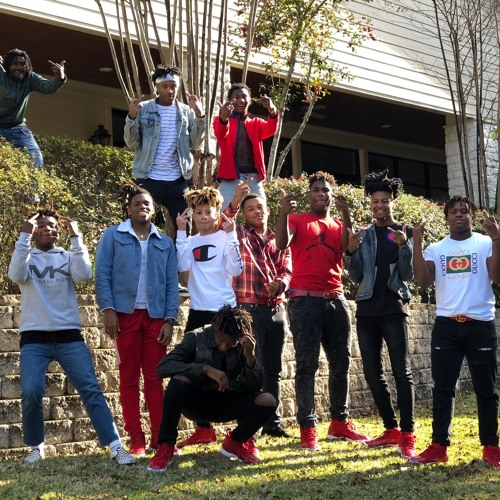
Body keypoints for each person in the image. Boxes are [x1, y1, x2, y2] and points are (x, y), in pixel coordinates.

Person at [8, 209, 135, 465]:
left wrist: (77, 238)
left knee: (91, 389)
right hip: (34, 338)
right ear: (33, 231)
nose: (47, 229)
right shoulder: (26, 257)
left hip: (69, 336)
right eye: (41, 225)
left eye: (52, 225)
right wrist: (23, 235)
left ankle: (115, 446)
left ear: (59, 231)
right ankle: (36, 446)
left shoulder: (67, 257)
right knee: (31, 391)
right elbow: (16, 275)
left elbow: (84, 275)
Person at [275, 171, 369, 451]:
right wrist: (282, 213)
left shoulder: (339, 224)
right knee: (307, 365)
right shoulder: (297, 220)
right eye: (316, 189)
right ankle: (308, 428)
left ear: (331, 194)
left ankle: (339, 423)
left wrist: (347, 214)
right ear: (309, 194)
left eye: (325, 190)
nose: (321, 194)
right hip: (305, 300)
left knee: (341, 362)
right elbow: (281, 243)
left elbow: (347, 249)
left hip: (336, 299)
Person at [410, 196, 500, 467]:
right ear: (447, 217)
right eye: (454, 212)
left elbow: (497, 277)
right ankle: (439, 446)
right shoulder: (437, 249)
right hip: (447, 325)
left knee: (486, 389)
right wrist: (417, 242)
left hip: (480, 324)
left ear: (472, 216)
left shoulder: (485, 243)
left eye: (464, 211)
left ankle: (491, 447)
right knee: (443, 388)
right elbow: (423, 281)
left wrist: (496, 238)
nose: (459, 215)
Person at [95, 183, 178, 457]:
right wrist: (107, 309)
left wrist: (170, 319)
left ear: (153, 211)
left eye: (147, 204)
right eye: (137, 204)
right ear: (129, 209)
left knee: (155, 378)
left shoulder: (165, 242)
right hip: (124, 316)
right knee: (128, 379)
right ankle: (136, 439)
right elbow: (102, 273)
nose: (142, 207)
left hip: (156, 318)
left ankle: (160, 438)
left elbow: (171, 283)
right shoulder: (113, 235)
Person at [147, 305, 277, 471]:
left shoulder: (248, 342)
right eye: (220, 340)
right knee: (178, 381)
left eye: (230, 344)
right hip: (197, 403)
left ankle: (235, 442)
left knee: (268, 400)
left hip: (228, 402)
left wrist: (250, 357)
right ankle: (166, 447)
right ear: (215, 328)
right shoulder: (196, 337)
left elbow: (255, 387)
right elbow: (163, 367)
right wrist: (205, 369)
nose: (223, 347)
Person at [344, 170, 416, 458]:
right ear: (371, 204)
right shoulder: (365, 235)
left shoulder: (404, 232)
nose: (380, 206)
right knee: (373, 374)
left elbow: (408, 274)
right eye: (375, 201)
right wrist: (350, 253)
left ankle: (408, 434)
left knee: (402, 373)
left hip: (394, 309)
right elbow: (357, 276)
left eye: (385, 201)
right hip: (367, 311)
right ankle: (390, 429)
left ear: (392, 202)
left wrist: (404, 246)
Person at [174, 187, 243, 448]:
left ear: (217, 213)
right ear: (192, 214)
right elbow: (182, 266)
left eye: (208, 211)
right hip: (198, 312)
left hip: (224, 312)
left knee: (233, 370)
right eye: (198, 212)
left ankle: (242, 433)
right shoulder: (190, 241)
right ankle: (203, 429)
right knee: (194, 371)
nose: (203, 216)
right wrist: (181, 232)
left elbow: (236, 269)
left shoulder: (226, 236)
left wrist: (232, 235)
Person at [223, 182, 293, 438]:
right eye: (250, 208)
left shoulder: (279, 238)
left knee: (273, 370)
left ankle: (271, 424)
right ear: (244, 214)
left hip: (276, 310)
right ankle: (247, 425)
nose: (256, 211)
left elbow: (287, 269)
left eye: (260, 207)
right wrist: (235, 200)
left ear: (268, 210)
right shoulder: (239, 233)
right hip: (248, 308)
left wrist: (280, 284)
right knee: (250, 367)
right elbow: (222, 221)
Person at [124, 65, 205, 232]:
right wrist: (131, 117)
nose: (170, 90)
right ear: (157, 88)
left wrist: (199, 116)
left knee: (185, 227)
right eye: (165, 86)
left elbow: (196, 144)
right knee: (141, 225)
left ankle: (179, 251)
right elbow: (131, 143)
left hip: (177, 180)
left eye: (173, 86)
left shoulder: (186, 112)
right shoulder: (143, 109)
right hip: (148, 179)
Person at [214, 83, 278, 207]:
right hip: (230, 178)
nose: (241, 100)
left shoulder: (256, 123)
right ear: (230, 100)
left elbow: (271, 129)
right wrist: (223, 117)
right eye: (236, 97)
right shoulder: (221, 120)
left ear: (250, 100)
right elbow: (220, 133)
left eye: (244, 96)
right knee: (225, 215)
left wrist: (272, 110)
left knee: (261, 213)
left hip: (254, 178)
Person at [0, 48, 66, 167]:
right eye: (15, 64)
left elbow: (48, 87)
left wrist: (60, 78)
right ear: (8, 65)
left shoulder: (30, 78)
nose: (19, 67)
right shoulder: (1, 76)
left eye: (22, 64)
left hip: (17, 127)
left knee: (35, 158)